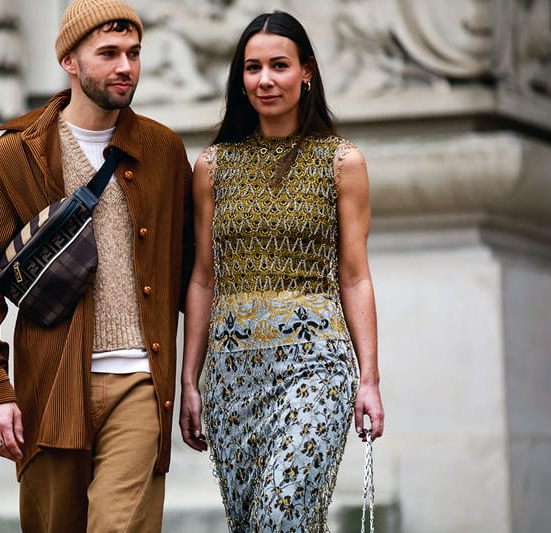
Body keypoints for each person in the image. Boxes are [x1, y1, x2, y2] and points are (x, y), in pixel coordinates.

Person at [0, 0, 193, 531]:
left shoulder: (163, 151)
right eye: (108, 53)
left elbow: (195, 271)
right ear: (69, 62)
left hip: (141, 383)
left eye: (134, 53)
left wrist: (193, 378)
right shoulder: (14, 158)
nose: (125, 66)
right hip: (51, 391)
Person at [179, 10, 385, 532]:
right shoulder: (212, 166)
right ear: (240, 78)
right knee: (254, 524)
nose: (265, 80)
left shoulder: (342, 162)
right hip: (231, 375)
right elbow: (203, 277)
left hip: (315, 367)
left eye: (278, 66)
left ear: (306, 71)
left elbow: (355, 276)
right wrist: (190, 379)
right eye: (252, 68)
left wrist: (369, 380)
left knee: (281, 515)